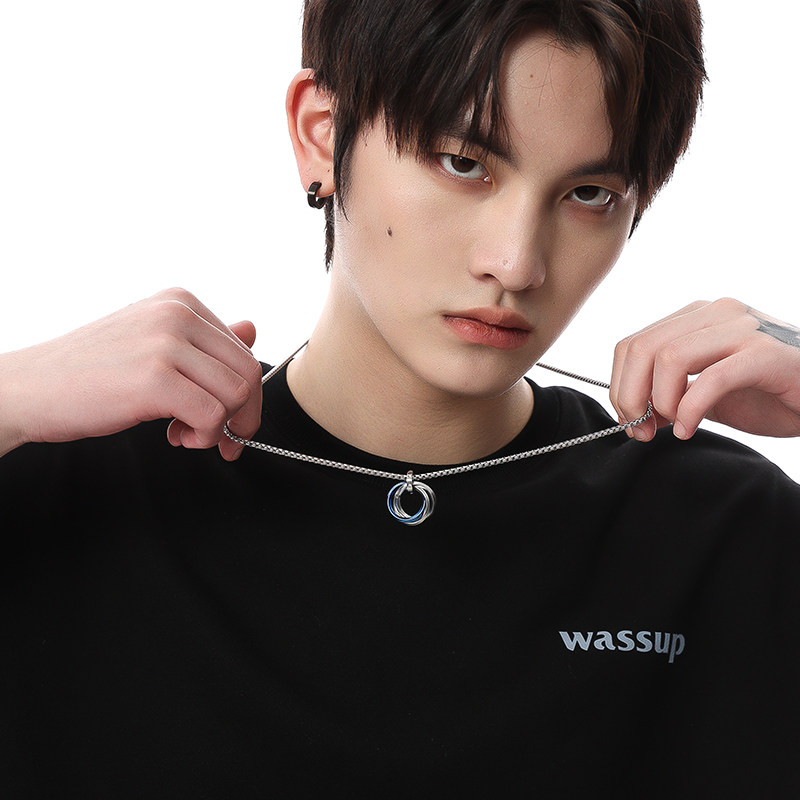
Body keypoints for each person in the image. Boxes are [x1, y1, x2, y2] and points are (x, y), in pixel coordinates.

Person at [2, 0, 799, 796]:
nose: (517, 263)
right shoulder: (72, 492)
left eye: (589, 193)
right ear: (321, 134)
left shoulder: (723, 532)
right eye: (463, 163)